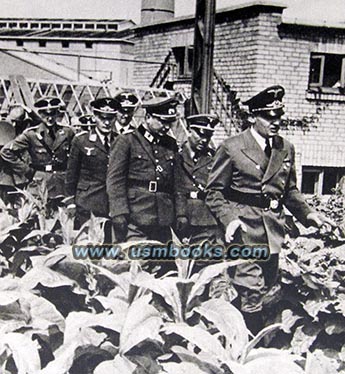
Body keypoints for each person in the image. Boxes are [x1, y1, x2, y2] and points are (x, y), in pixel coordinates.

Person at [205, 85, 335, 333]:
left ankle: (234, 333)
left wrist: (310, 214)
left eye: (279, 116)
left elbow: (290, 191)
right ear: (253, 117)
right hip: (243, 229)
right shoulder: (232, 147)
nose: (275, 122)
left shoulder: (285, 148)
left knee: (266, 289)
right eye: (268, 117)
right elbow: (214, 192)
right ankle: (245, 352)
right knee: (251, 289)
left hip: (272, 230)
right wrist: (229, 219)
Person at [106, 96, 179, 245]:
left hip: (163, 217)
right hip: (135, 215)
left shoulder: (170, 143)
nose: (167, 127)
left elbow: (176, 182)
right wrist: (119, 212)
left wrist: (180, 213)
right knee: (137, 261)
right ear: (148, 117)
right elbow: (115, 181)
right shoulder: (127, 141)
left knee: (160, 263)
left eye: (170, 122)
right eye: (162, 121)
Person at [0, 96, 75, 202]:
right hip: (40, 181)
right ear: (40, 114)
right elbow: (6, 151)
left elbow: (77, 155)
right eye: (45, 114)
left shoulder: (68, 132)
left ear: (57, 113)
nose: (49, 118)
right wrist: (28, 171)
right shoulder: (31, 134)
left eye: (52, 113)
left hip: (62, 182)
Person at [65, 97, 118, 231]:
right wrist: (70, 202)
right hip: (87, 202)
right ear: (95, 117)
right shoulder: (81, 141)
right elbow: (72, 174)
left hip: (112, 204)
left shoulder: (120, 141)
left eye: (111, 118)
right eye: (102, 118)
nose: (107, 122)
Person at [175, 114, 221, 246]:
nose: (204, 140)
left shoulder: (213, 158)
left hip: (205, 218)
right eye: (200, 135)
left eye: (208, 136)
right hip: (179, 215)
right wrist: (180, 214)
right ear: (189, 130)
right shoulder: (175, 155)